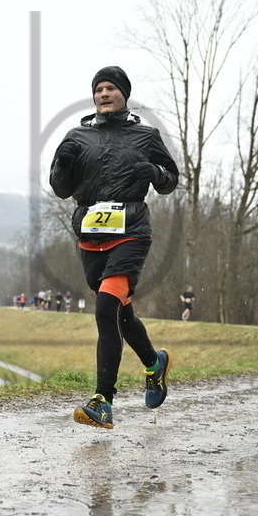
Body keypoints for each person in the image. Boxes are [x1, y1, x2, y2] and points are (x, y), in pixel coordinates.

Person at [50, 65, 180, 429]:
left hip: (131, 232)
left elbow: (171, 179)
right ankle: (154, 363)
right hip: (90, 236)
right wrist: (61, 165)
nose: (104, 94)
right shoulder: (76, 136)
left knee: (106, 308)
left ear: (124, 94)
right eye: (98, 89)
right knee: (121, 313)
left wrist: (154, 174)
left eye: (110, 88)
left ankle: (102, 400)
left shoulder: (145, 135)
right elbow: (60, 188)